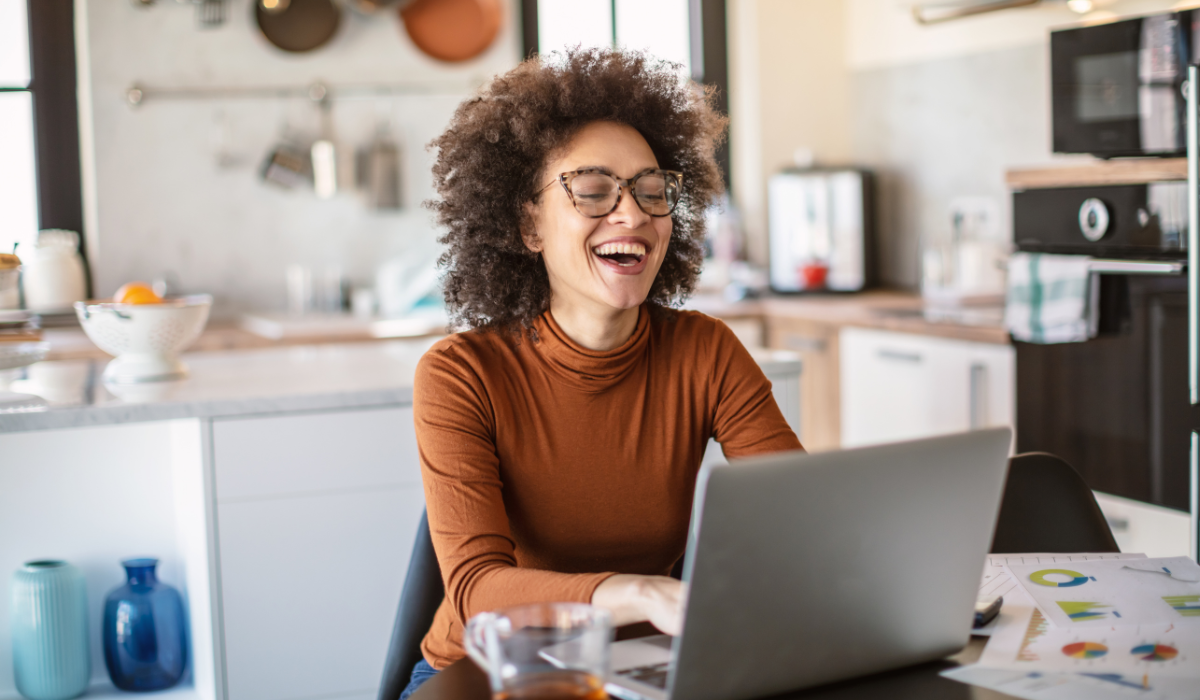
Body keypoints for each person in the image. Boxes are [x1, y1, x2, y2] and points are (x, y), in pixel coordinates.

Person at [401, 47, 803, 700]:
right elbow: (478, 590)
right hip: (487, 674)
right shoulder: (460, 373)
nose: (633, 214)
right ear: (528, 223)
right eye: (592, 191)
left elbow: (798, 511)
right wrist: (641, 592)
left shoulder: (706, 350)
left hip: (639, 664)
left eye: (652, 191)